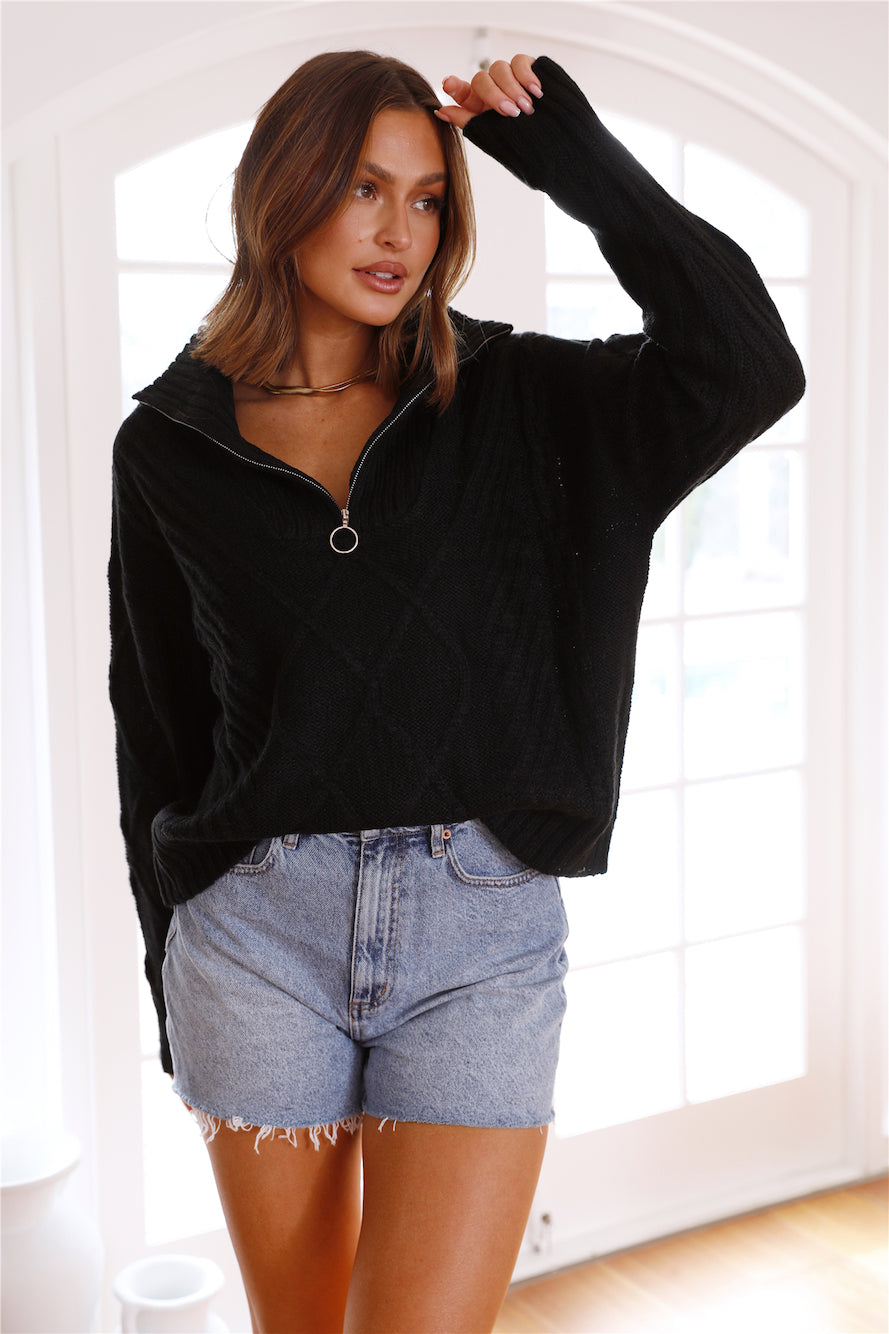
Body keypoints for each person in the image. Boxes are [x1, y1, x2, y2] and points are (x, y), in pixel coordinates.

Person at [108, 49, 804, 1334]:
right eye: (363, 189)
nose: (400, 231)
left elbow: (747, 362)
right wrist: (172, 981)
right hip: (253, 940)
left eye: (428, 198)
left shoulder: (521, 401)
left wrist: (567, 154)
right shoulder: (167, 445)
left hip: (478, 932)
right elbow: (156, 734)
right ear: (282, 191)